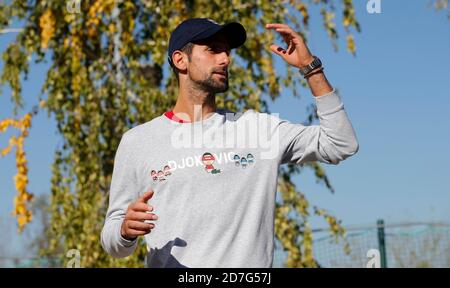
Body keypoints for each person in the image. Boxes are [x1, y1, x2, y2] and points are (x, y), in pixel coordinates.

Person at [101, 18, 359, 267]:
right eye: (213, 50)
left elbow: (340, 143)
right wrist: (125, 230)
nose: (225, 59)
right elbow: (113, 242)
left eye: (226, 51)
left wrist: (311, 68)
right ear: (181, 60)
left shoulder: (259, 129)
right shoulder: (138, 141)